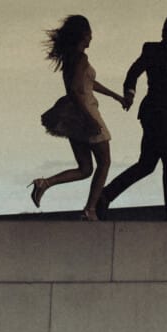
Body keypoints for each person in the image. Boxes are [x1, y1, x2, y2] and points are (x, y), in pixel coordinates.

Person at [29, 14, 127, 221]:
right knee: (104, 162)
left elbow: (90, 83)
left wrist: (116, 96)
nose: (92, 36)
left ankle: (44, 183)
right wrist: (89, 119)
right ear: (83, 34)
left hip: (71, 115)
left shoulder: (70, 58)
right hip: (85, 112)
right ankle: (90, 210)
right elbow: (76, 90)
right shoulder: (81, 58)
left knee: (85, 168)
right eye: (90, 32)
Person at [101, 15, 167, 220]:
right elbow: (133, 72)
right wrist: (129, 94)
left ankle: (105, 196)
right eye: (166, 30)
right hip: (154, 112)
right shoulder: (152, 50)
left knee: (147, 165)